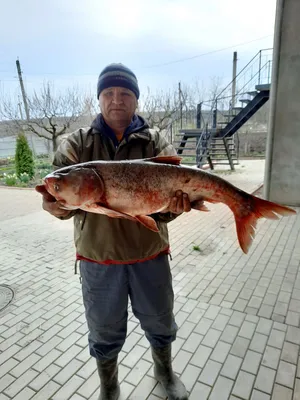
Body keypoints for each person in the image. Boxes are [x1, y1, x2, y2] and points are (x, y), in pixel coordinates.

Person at [37, 63, 192, 400]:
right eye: (109, 93)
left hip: (149, 254)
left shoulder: (155, 141)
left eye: (125, 93)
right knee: (104, 330)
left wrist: (173, 207)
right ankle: (110, 386)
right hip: (98, 258)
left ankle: (164, 371)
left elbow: (166, 210)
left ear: (136, 100)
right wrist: (56, 205)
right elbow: (56, 195)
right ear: (100, 99)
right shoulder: (75, 144)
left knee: (160, 321)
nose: (117, 100)